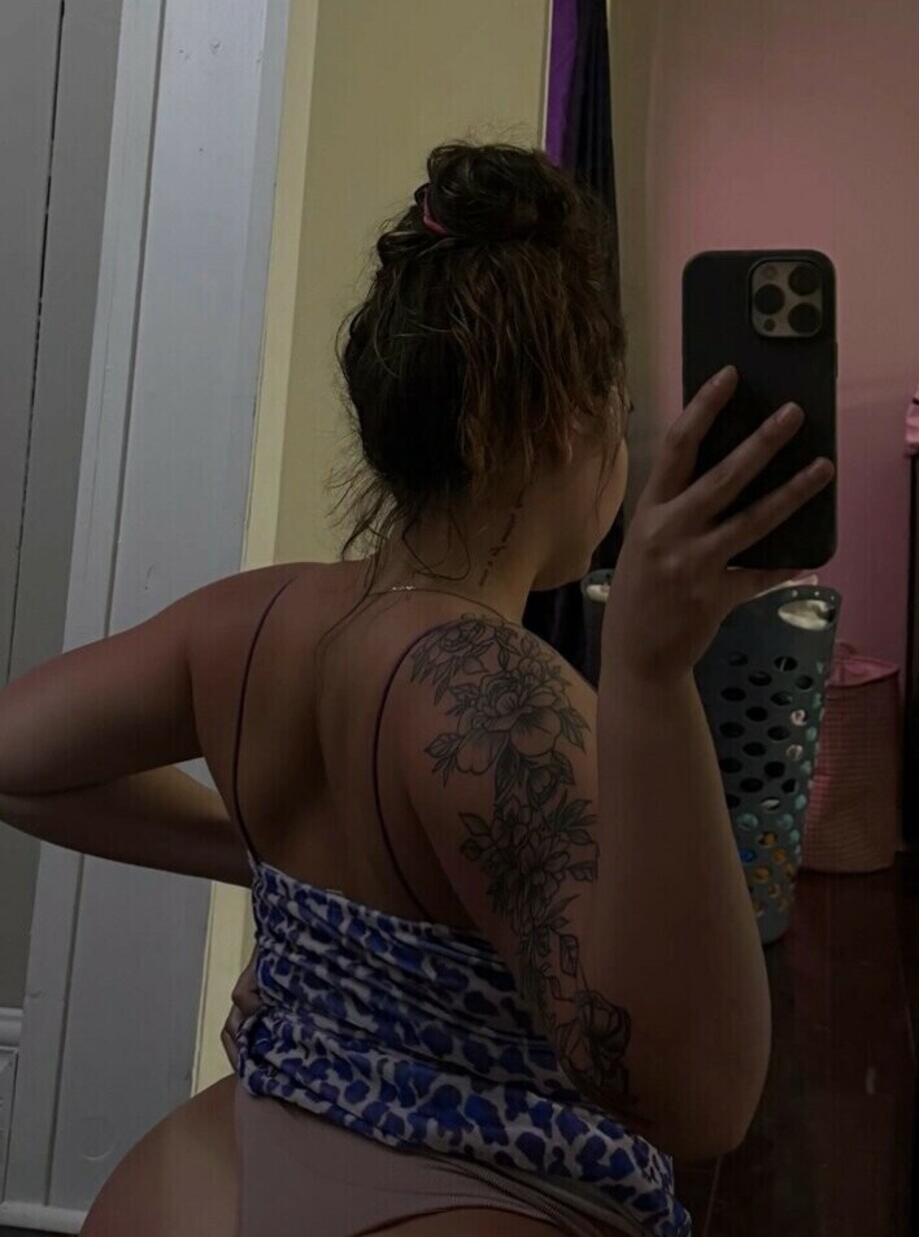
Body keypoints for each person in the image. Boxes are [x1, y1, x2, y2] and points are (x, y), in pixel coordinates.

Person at [0, 143, 833, 1237]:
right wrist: (651, 670)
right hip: (459, 1191)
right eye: (620, 411)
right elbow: (703, 1099)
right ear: (565, 424)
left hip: (228, 1159)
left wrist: (256, 854)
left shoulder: (248, 621)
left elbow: (18, 757)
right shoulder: (509, 706)